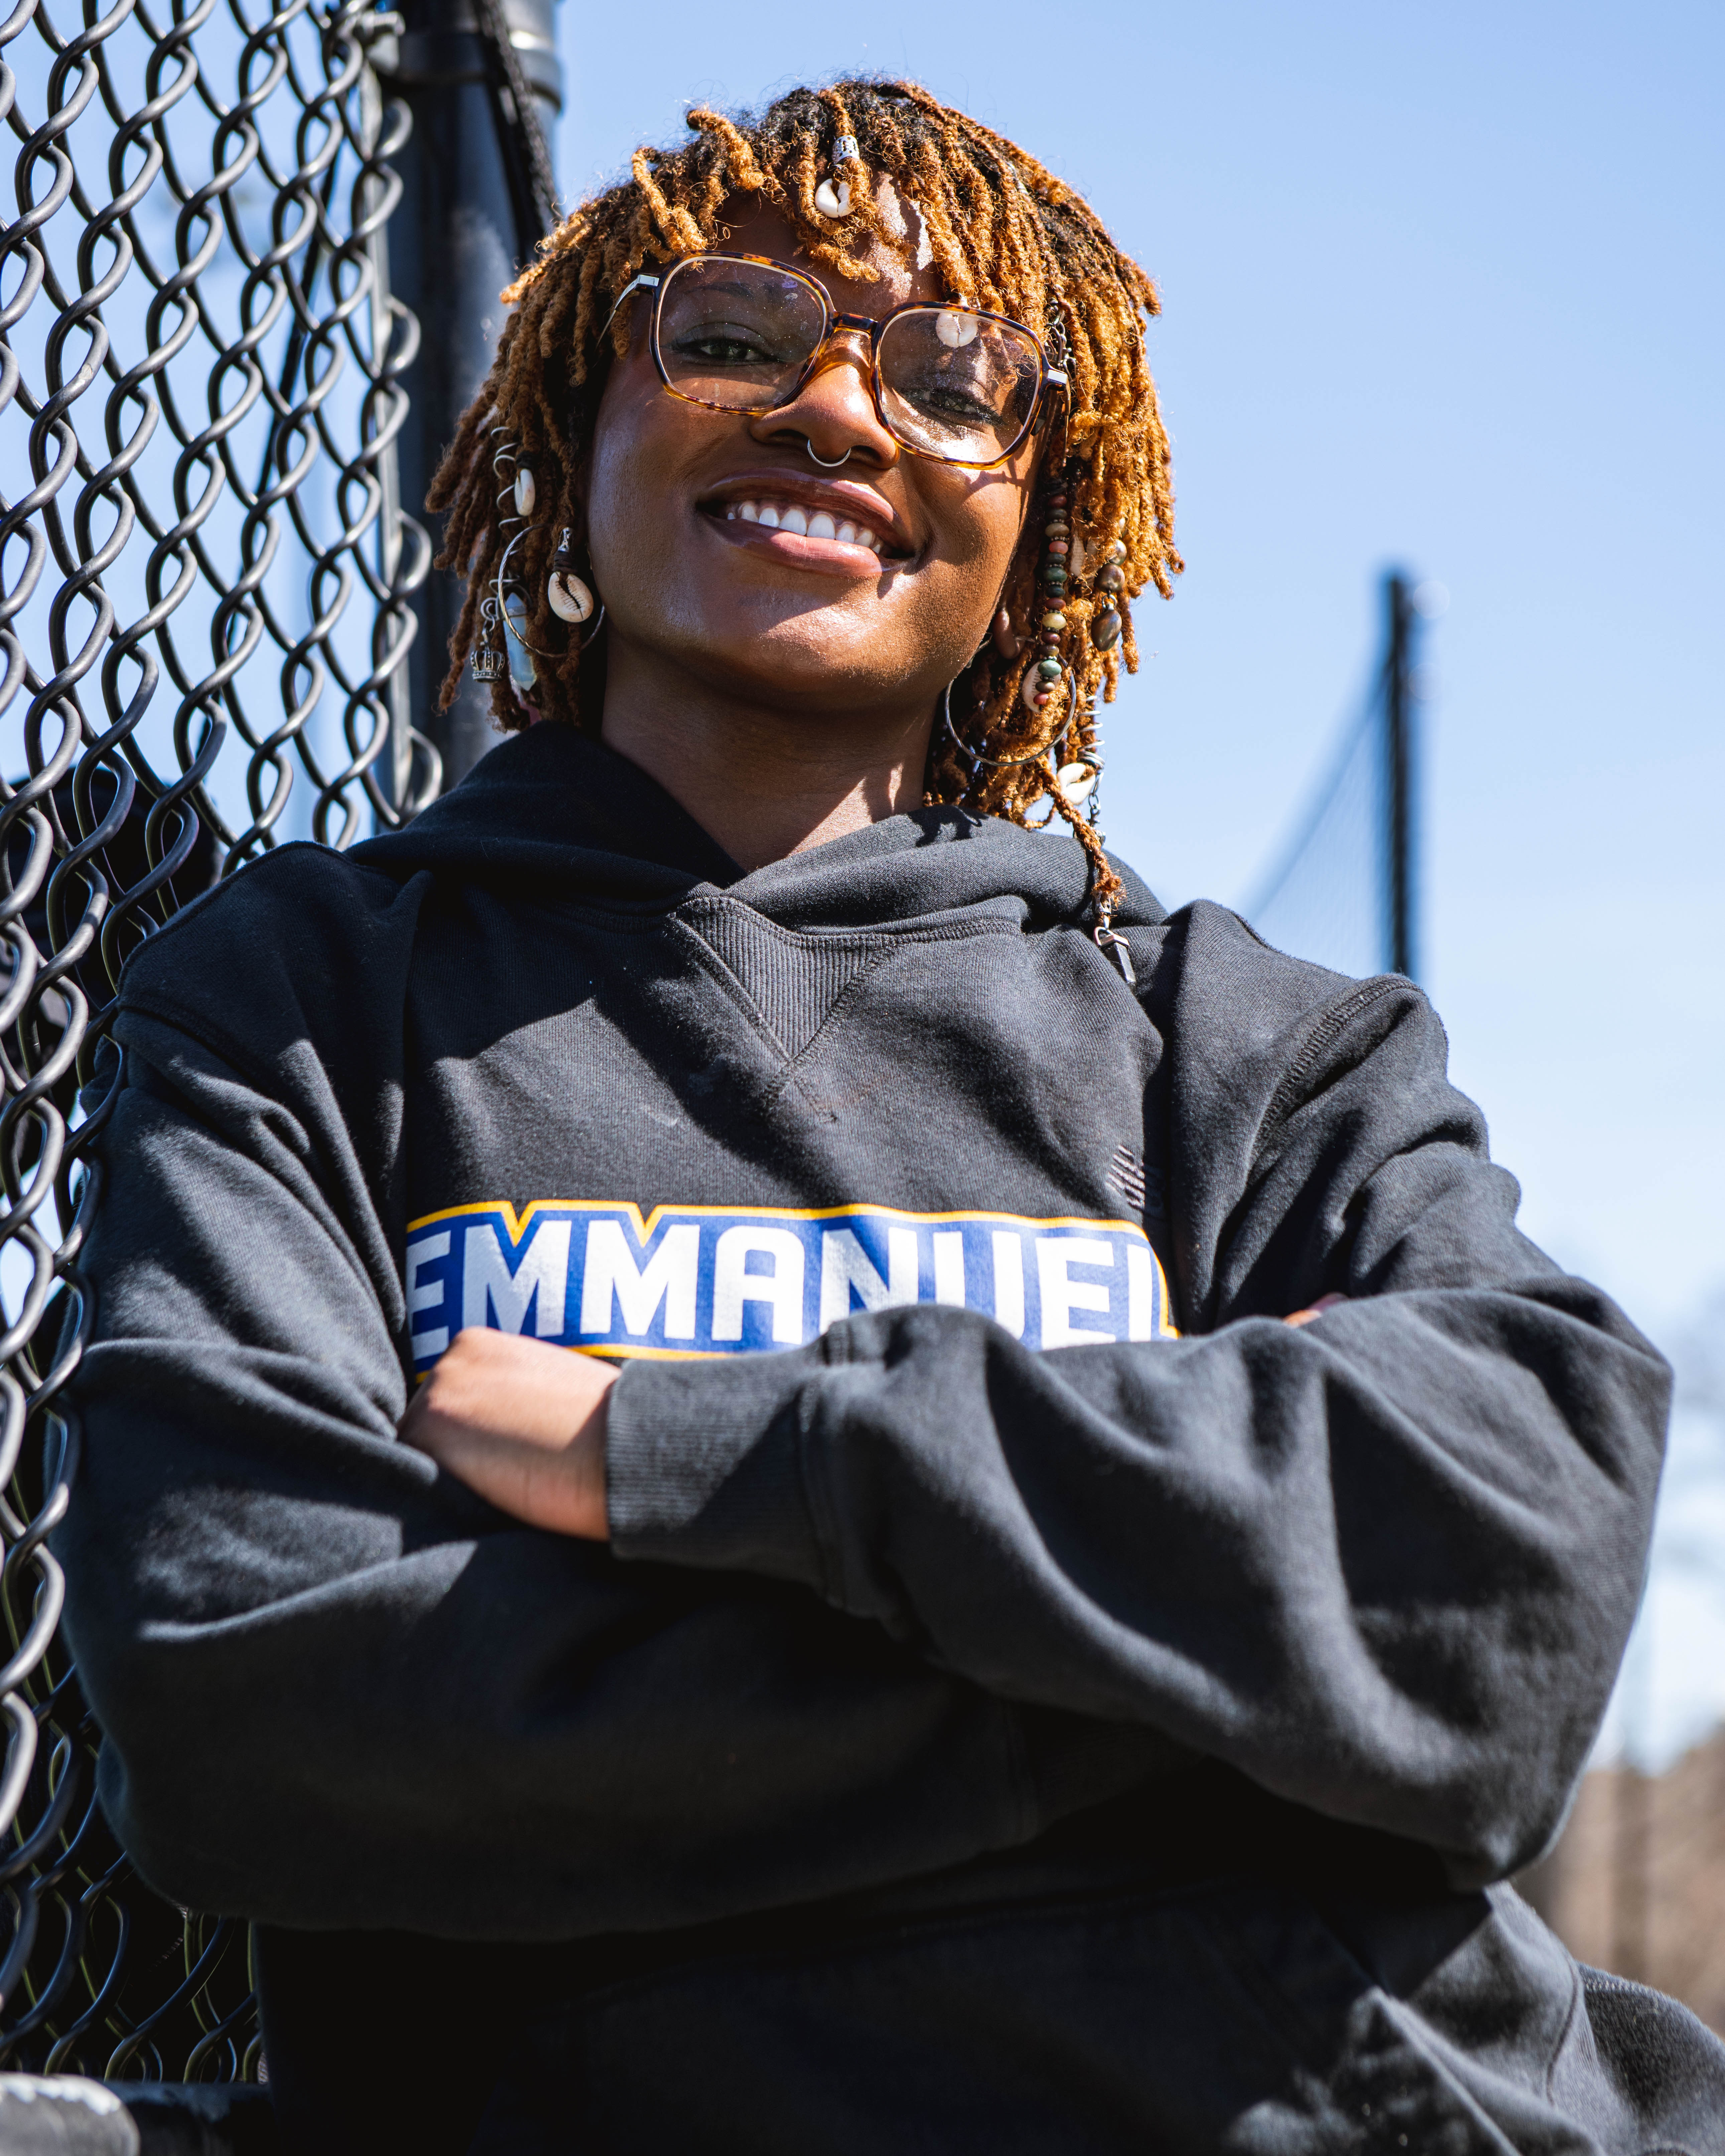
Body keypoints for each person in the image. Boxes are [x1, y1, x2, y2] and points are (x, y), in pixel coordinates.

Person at [60, 77, 1725, 2155]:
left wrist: (677, 1451)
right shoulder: (310, 999)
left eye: (953, 381)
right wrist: (1223, 1667)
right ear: (578, 421)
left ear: (1039, 528)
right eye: (734, 333)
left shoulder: (1234, 1041)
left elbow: (1509, 1568)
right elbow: (250, 1681)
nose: (839, 410)